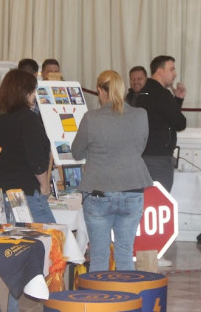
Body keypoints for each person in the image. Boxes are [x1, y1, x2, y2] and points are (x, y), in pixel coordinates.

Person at [71, 70, 152, 271]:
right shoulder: (141, 115)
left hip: (98, 191)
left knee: (99, 257)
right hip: (132, 190)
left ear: (100, 91)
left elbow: (76, 152)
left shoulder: (91, 118)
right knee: (125, 253)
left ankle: (99, 293)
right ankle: (127, 292)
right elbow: (139, 148)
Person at [0, 69, 54, 224]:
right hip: (23, 190)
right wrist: (45, 185)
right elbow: (36, 158)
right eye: (33, 90)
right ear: (25, 92)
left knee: (8, 236)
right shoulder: (28, 119)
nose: (35, 95)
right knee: (48, 234)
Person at [135, 55, 187, 192]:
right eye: (171, 69)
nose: (175, 74)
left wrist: (177, 100)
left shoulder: (142, 93)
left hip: (141, 157)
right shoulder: (162, 94)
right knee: (158, 201)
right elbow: (180, 123)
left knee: (144, 199)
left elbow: (163, 118)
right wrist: (177, 101)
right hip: (159, 160)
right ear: (159, 71)